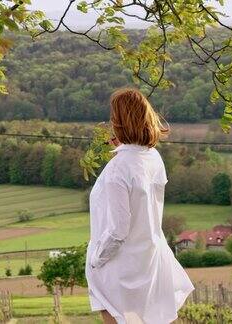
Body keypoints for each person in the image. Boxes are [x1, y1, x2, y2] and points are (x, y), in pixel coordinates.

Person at [85, 88, 194, 324]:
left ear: (119, 122)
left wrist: (96, 259)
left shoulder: (118, 169)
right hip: (150, 260)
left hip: (119, 267)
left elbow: (118, 230)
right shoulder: (153, 158)